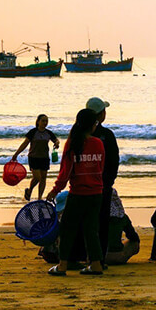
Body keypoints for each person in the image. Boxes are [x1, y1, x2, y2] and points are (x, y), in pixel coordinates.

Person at [45, 108, 105, 276]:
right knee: (91, 230)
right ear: (92, 125)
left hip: (78, 193)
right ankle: (96, 264)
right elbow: (100, 168)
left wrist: (55, 190)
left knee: (67, 230)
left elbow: (66, 172)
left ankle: (62, 265)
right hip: (96, 194)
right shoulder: (98, 143)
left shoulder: (73, 143)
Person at [86, 97, 119, 266]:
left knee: (86, 223)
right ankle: (100, 259)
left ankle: (87, 256)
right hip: (102, 186)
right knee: (102, 224)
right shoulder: (107, 135)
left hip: (83, 186)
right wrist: (109, 182)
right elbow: (114, 161)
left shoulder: (79, 135)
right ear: (100, 115)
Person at [12, 114, 60, 201]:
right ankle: (29, 190)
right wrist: (16, 154)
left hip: (44, 158)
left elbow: (56, 140)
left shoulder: (48, 133)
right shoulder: (33, 132)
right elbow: (25, 143)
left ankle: (39, 198)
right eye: (43, 121)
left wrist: (57, 143)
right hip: (34, 157)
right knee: (37, 177)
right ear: (38, 121)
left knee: (43, 178)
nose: (45, 123)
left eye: (46, 121)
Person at [105, 188, 141, 265]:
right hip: (116, 257)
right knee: (134, 243)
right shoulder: (122, 217)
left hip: (94, 258)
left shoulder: (93, 215)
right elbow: (134, 237)